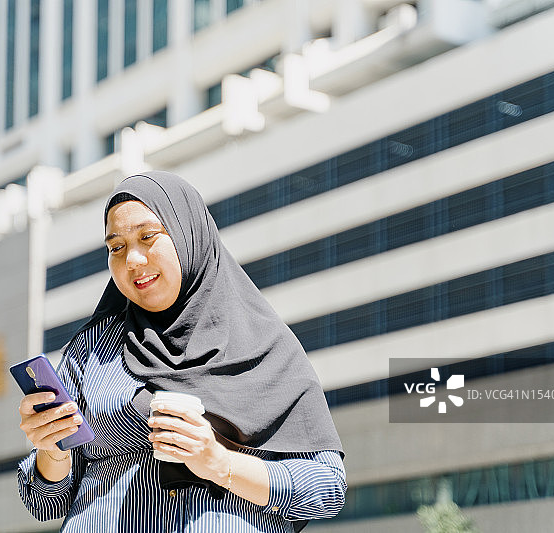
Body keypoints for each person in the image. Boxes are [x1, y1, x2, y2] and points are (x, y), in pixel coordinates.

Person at [17, 171, 346, 532]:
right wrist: (52, 450)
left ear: (187, 234)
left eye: (147, 237)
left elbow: (327, 489)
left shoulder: (266, 347)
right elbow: (45, 502)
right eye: (116, 247)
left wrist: (220, 463)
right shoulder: (93, 350)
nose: (132, 260)